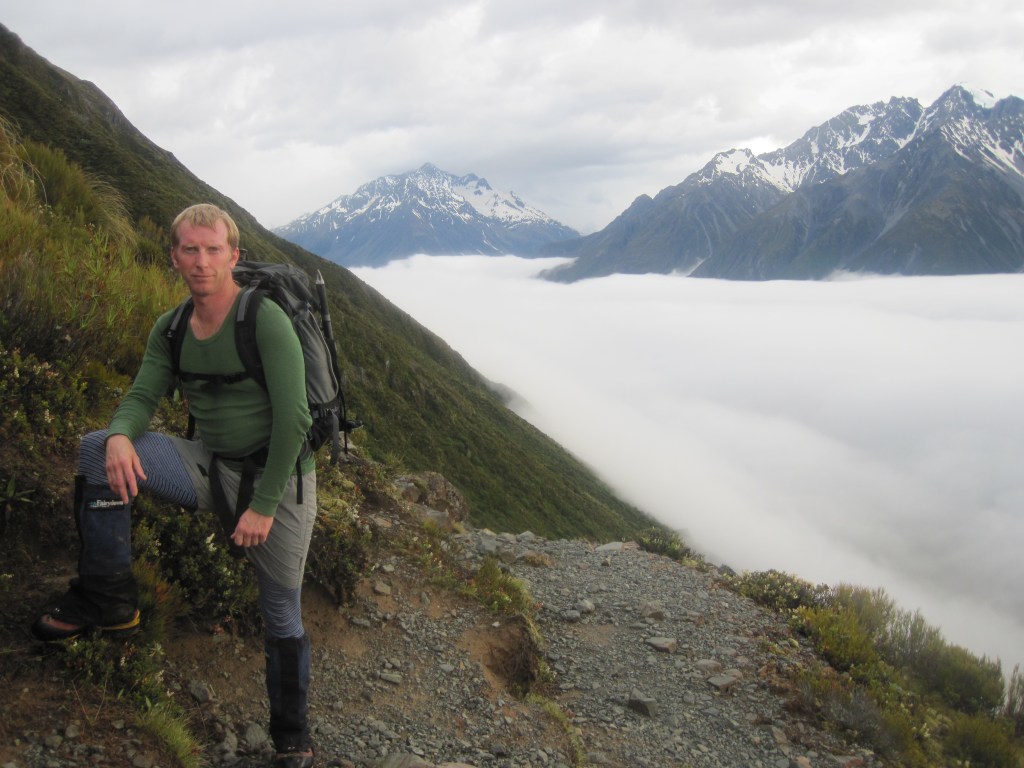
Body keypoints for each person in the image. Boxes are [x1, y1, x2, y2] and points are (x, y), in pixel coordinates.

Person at [32, 203, 318, 768]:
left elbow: (295, 421)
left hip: (278, 484)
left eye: (214, 250)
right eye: (190, 249)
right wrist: (120, 435)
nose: (202, 262)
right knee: (95, 449)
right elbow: (142, 396)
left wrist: (261, 508)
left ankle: (292, 737)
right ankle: (108, 601)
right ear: (174, 256)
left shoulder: (263, 319)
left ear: (233, 256)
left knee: (280, 611)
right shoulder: (172, 327)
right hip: (208, 466)